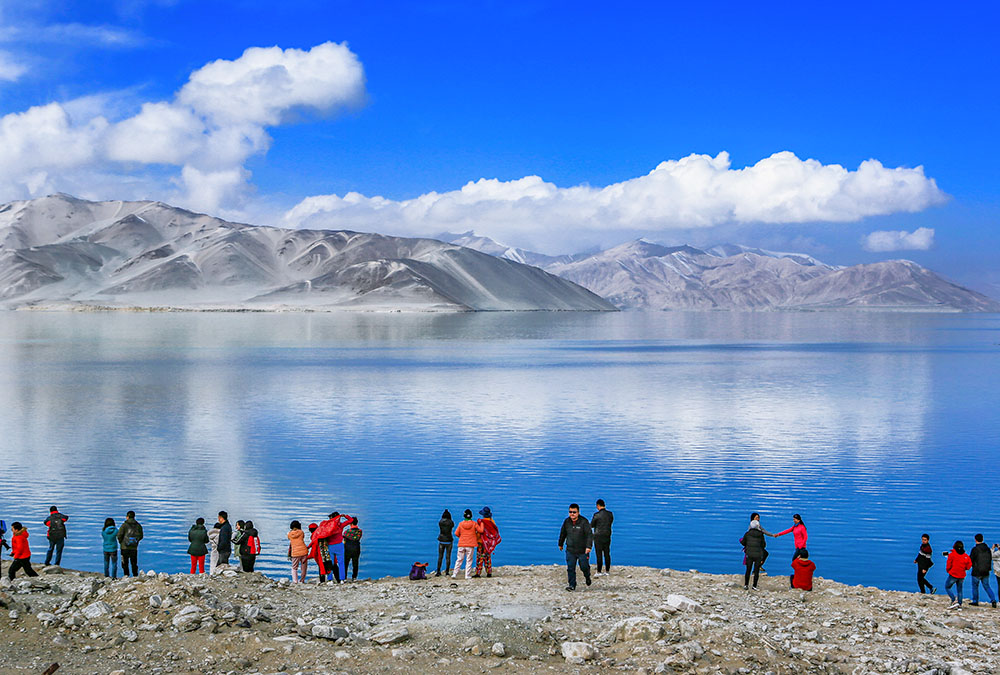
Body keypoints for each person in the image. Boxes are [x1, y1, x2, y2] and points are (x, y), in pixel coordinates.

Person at [559, 503, 593, 591]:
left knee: (584, 567)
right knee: (570, 568)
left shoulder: (584, 522)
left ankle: (587, 576)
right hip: (570, 549)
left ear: (578, 512)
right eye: (570, 512)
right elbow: (563, 533)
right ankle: (572, 585)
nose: (572, 514)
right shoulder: (567, 522)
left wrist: (588, 547)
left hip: (582, 550)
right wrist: (560, 544)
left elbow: (589, 535)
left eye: (574, 512)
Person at [321, 512, 352, 584]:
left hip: (330, 546)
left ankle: (330, 579)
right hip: (339, 545)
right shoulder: (340, 525)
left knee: (330, 563)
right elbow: (350, 520)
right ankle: (342, 579)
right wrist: (345, 516)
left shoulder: (328, 526)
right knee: (341, 563)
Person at [452, 509, 483, 579]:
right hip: (470, 545)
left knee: (459, 559)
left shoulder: (460, 524)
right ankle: (467, 575)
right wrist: (481, 524)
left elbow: (456, 533)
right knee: (469, 560)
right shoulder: (474, 523)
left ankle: (454, 574)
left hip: (461, 544)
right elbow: (481, 530)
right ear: (471, 516)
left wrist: (462, 537)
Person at [969, 533, 997, 607]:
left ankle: (975, 601)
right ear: (982, 539)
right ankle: (993, 600)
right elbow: (990, 558)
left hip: (976, 571)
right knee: (987, 586)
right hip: (986, 571)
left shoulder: (975, 549)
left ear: (975, 540)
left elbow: (970, 560)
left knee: (975, 586)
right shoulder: (987, 549)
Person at [944, 540, 972, 610]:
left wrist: (948, 570)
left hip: (953, 574)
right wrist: (965, 568)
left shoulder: (952, 555)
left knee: (947, 587)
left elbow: (948, 565)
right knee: (960, 590)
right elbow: (969, 565)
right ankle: (959, 604)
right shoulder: (965, 556)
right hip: (962, 575)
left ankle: (954, 600)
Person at [474, 507, 500, 578]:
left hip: (481, 542)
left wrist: (476, 538)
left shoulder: (481, 522)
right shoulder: (492, 522)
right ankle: (489, 572)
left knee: (480, 557)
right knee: (487, 557)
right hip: (488, 543)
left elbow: (479, 532)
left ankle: (478, 573)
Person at [740, 519, 766, 590]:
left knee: (748, 569)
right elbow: (764, 545)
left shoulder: (747, 534)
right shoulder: (761, 534)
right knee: (756, 570)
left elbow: (743, 542)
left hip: (749, 554)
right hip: (758, 554)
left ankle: (746, 585)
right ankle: (754, 586)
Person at [117, 511, 144, 577]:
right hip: (134, 547)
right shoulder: (138, 525)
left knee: (125, 563)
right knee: (134, 563)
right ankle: (135, 575)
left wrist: (121, 542)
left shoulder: (124, 525)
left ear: (127, 517)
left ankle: (126, 575)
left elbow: (119, 535)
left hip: (124, 547)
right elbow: (141, 536)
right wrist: (136, 541)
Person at [591, 499, 614, 577]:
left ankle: (599, 571)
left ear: (598, 506)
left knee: (599, 554)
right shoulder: (610, 514)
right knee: (607, 553)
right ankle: (607, 571)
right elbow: (610, 522)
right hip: (607, 535)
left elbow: (592, 525)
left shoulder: (596, 515)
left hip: (598, 536)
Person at [343, 517, 362, 581]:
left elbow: (344, 541)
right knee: (355, 563)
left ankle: (344, 577)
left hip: (347, 549)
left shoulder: (346, 532)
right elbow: (358, 538)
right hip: (356, 548)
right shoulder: (359, 531)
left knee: (345, 563)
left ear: (350, 523)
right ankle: (354, 577)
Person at [436, 509, 454, 577]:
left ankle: (438, 571)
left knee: (440, 557)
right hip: (449, 540)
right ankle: (447, 571)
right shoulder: (451, 522)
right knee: (448, 557)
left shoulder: (440, 522)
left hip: (441, 540)